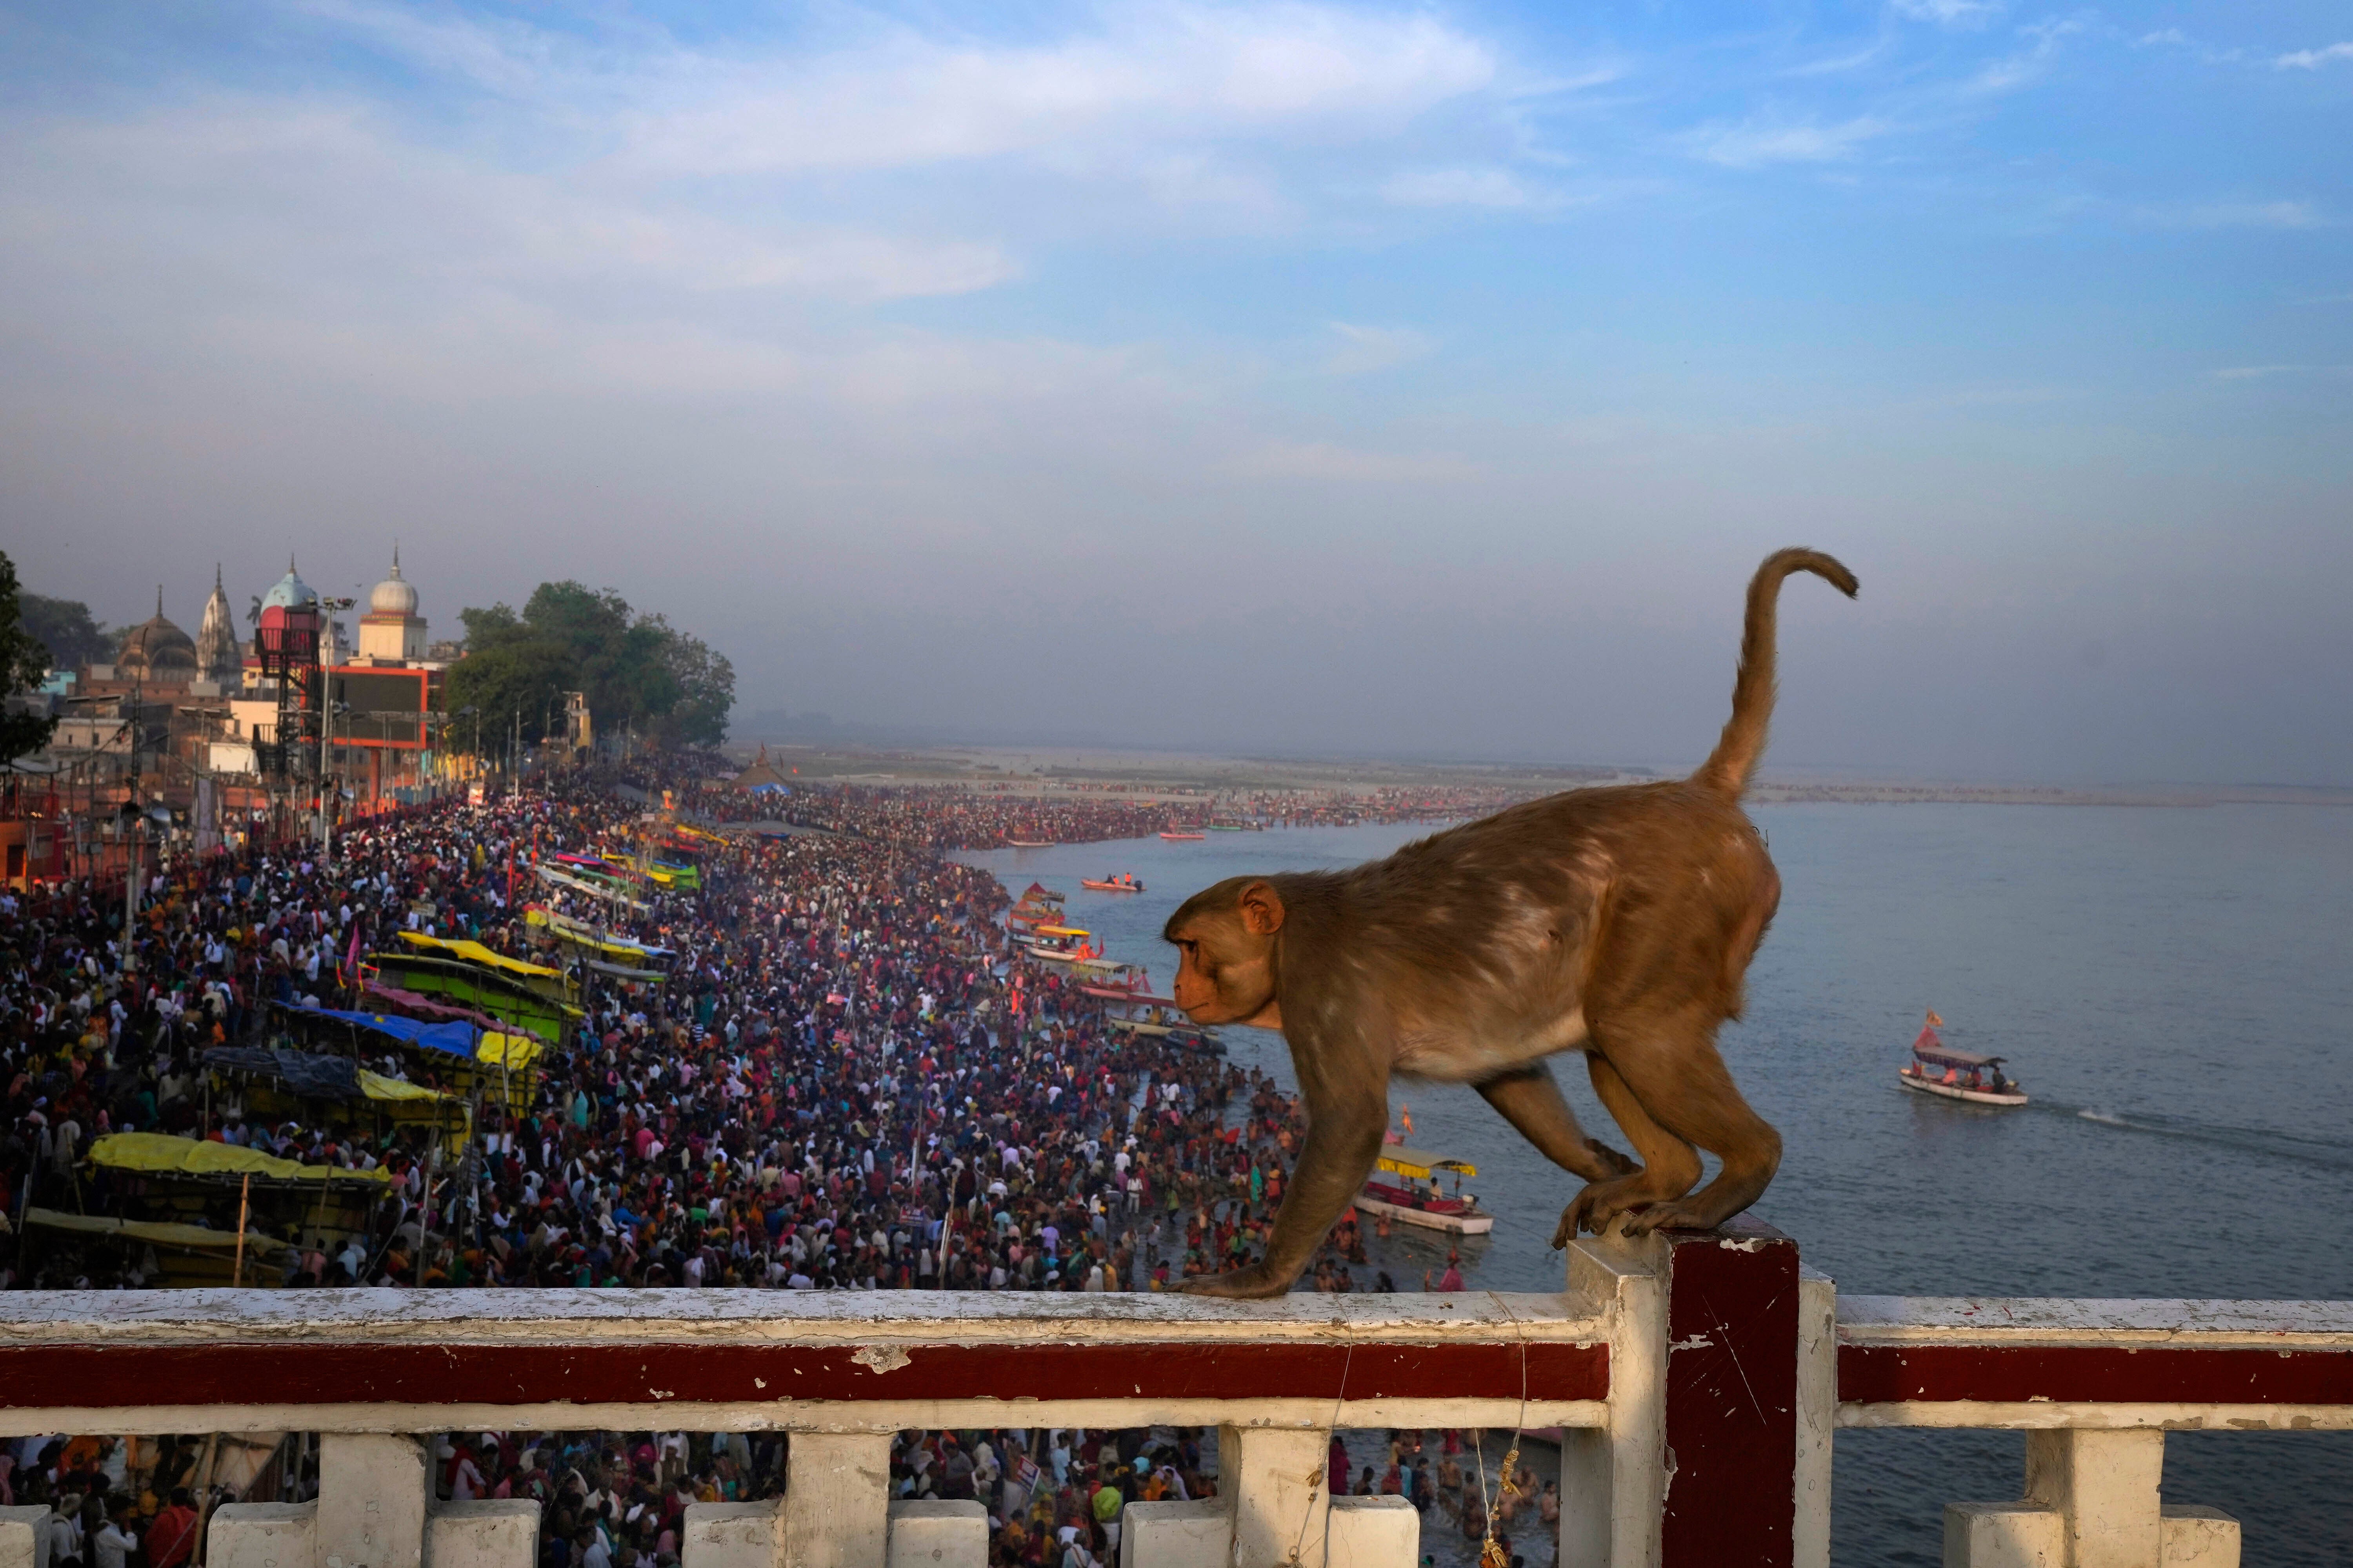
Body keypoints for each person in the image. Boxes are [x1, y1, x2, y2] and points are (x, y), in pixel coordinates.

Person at [145, 1489, 199, 1568]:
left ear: (170, 1500)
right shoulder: (195, 1518)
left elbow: (149, 1539)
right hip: (181, 1560)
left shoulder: (163, 1518)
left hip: (160, 1561)